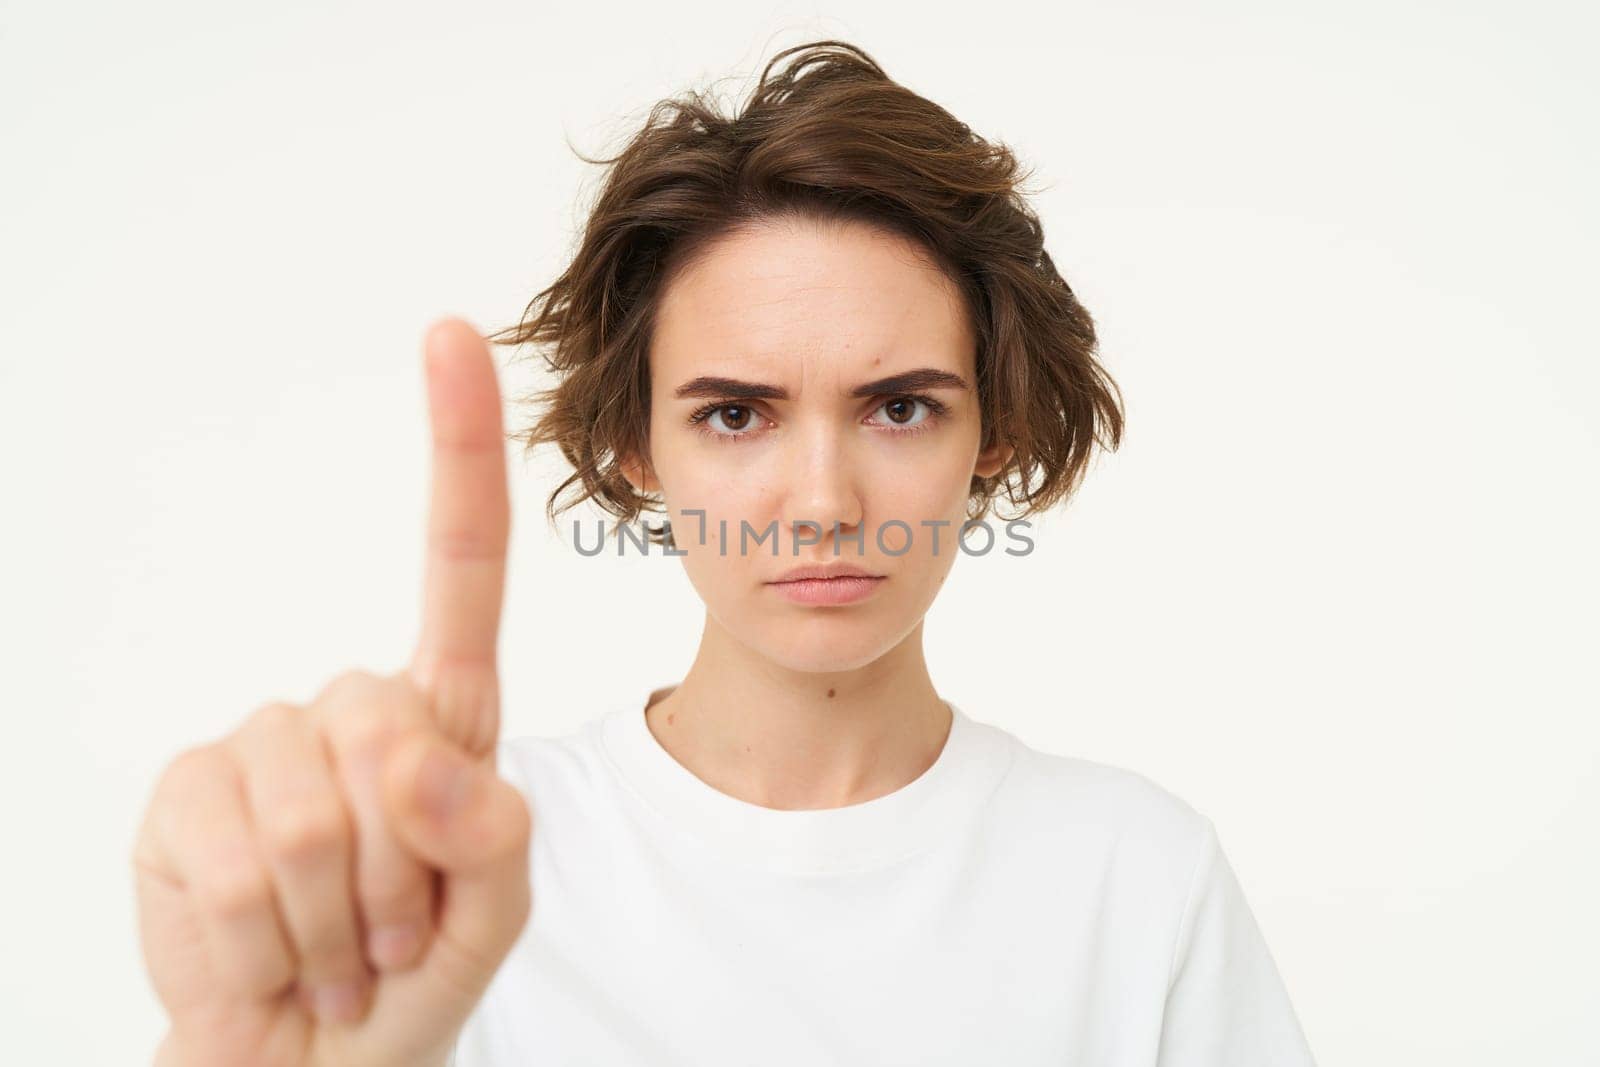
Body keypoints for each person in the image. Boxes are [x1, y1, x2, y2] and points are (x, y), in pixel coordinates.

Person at [132, 39, 1317, 1067]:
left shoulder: (1136, 879)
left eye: (898, 406)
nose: (821, 501)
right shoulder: (448, 868)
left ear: (991, 430)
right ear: (634, 444)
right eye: (735, 414)